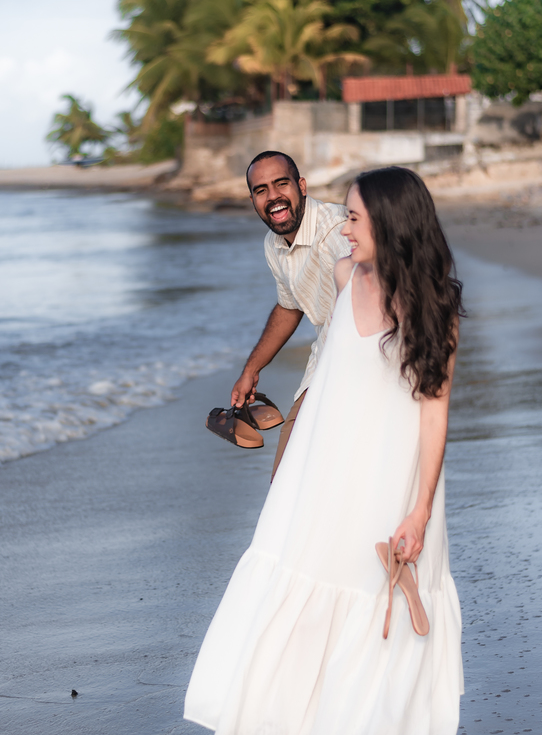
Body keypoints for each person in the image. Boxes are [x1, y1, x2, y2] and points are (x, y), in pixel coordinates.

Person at [184, 166, 465, 735]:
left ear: (390, 224)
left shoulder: (433, 310)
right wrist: (256, 373)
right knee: (303, 583)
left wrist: (420, 510)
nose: (345, 230)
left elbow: (434, 413)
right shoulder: (342, 274)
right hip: (325, 466)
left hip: (390, 474)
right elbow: (316, 342)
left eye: (355, 219)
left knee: (372, 598)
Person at [234, 151, 351, 480]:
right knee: (286, 481)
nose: (273, 196)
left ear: (301, 186)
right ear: (253, 201)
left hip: (360, 367)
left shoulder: (336, 231)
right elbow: (289, 305)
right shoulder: (274, 244)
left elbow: (368, 296)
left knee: (297, 483)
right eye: (261, 190)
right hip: (323, 365)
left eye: (281, 184)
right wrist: (251, 369)